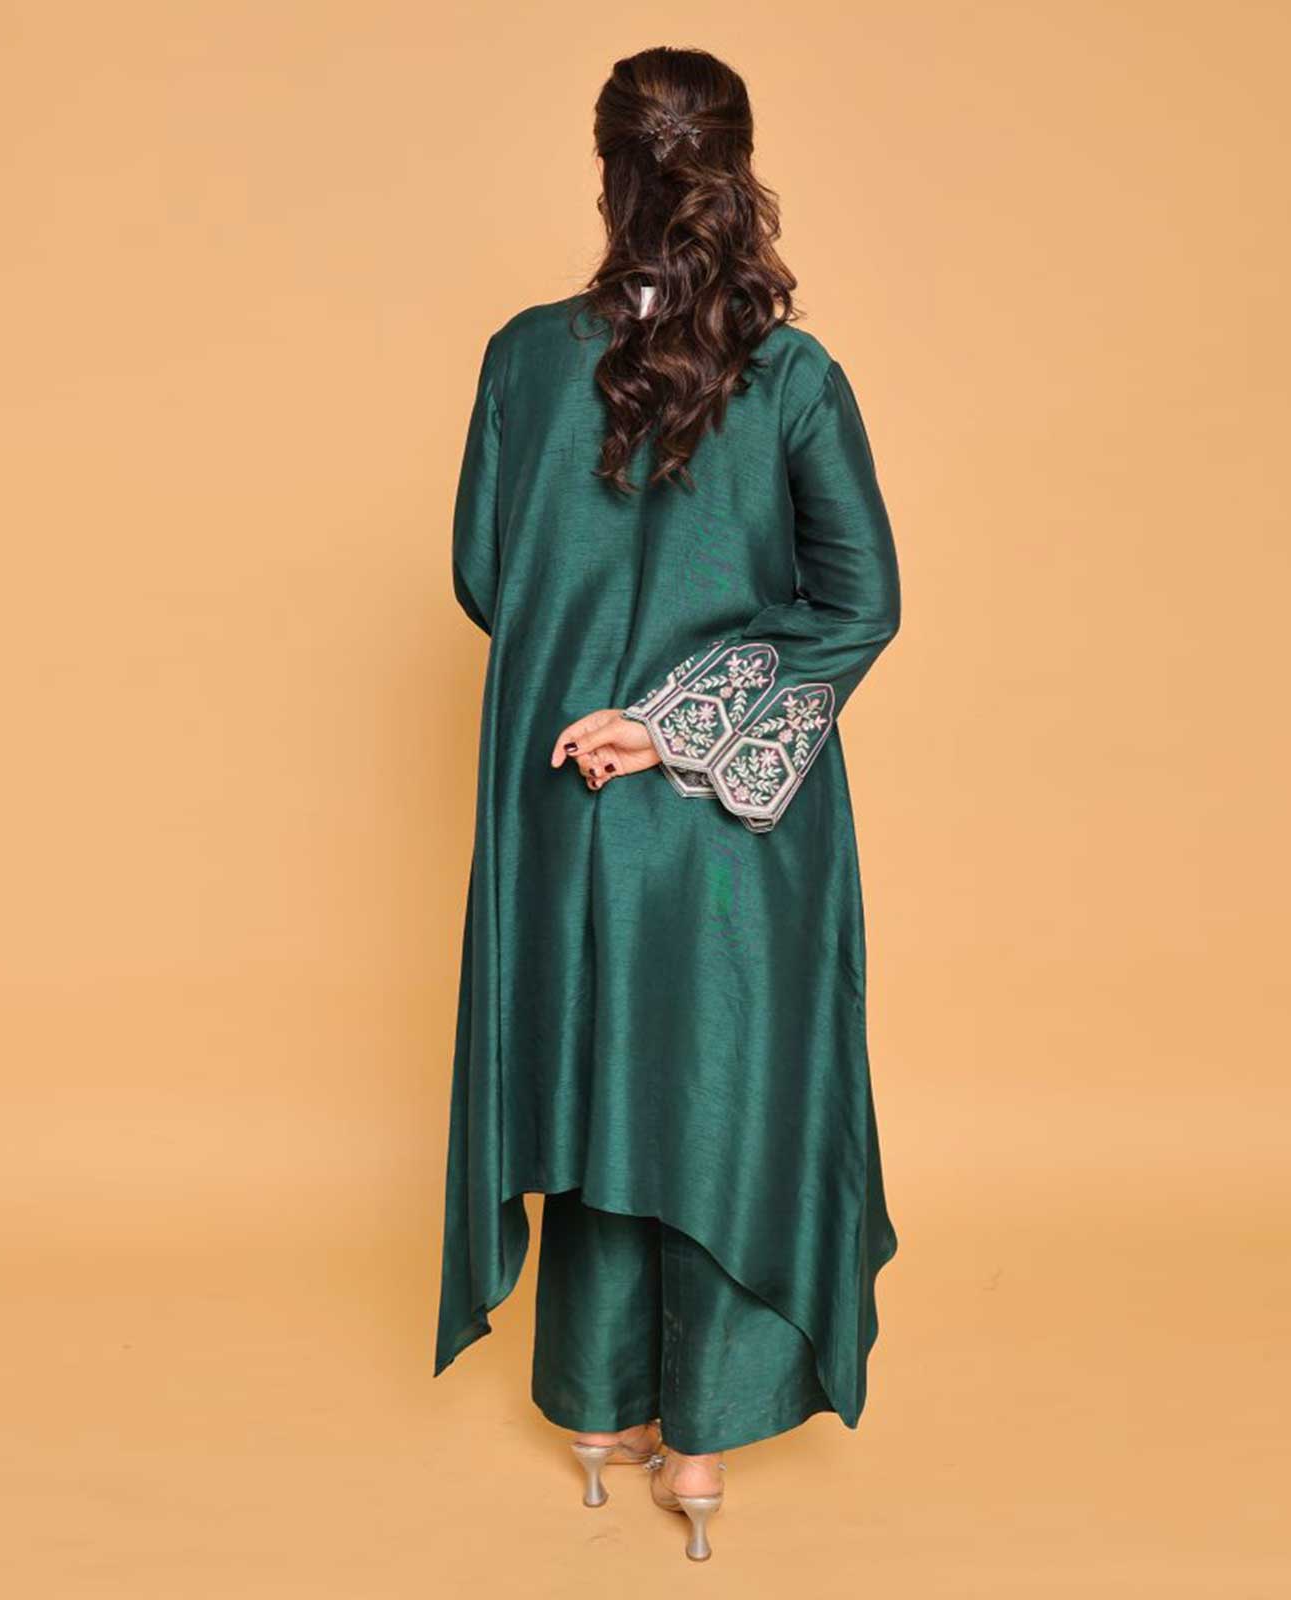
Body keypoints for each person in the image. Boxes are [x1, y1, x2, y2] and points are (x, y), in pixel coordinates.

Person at [434, 45, 901, 1562]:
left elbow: (487, 580)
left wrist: (603, 687)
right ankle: (702, 1442)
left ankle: (597, 1413)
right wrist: (684, 721)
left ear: (606, 174)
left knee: (592, 1087)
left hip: (563, 804)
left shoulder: (522, 359)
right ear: (735, 172)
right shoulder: (795, 377)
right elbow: (862, 603)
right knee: (724, 1098)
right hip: (732, 824)